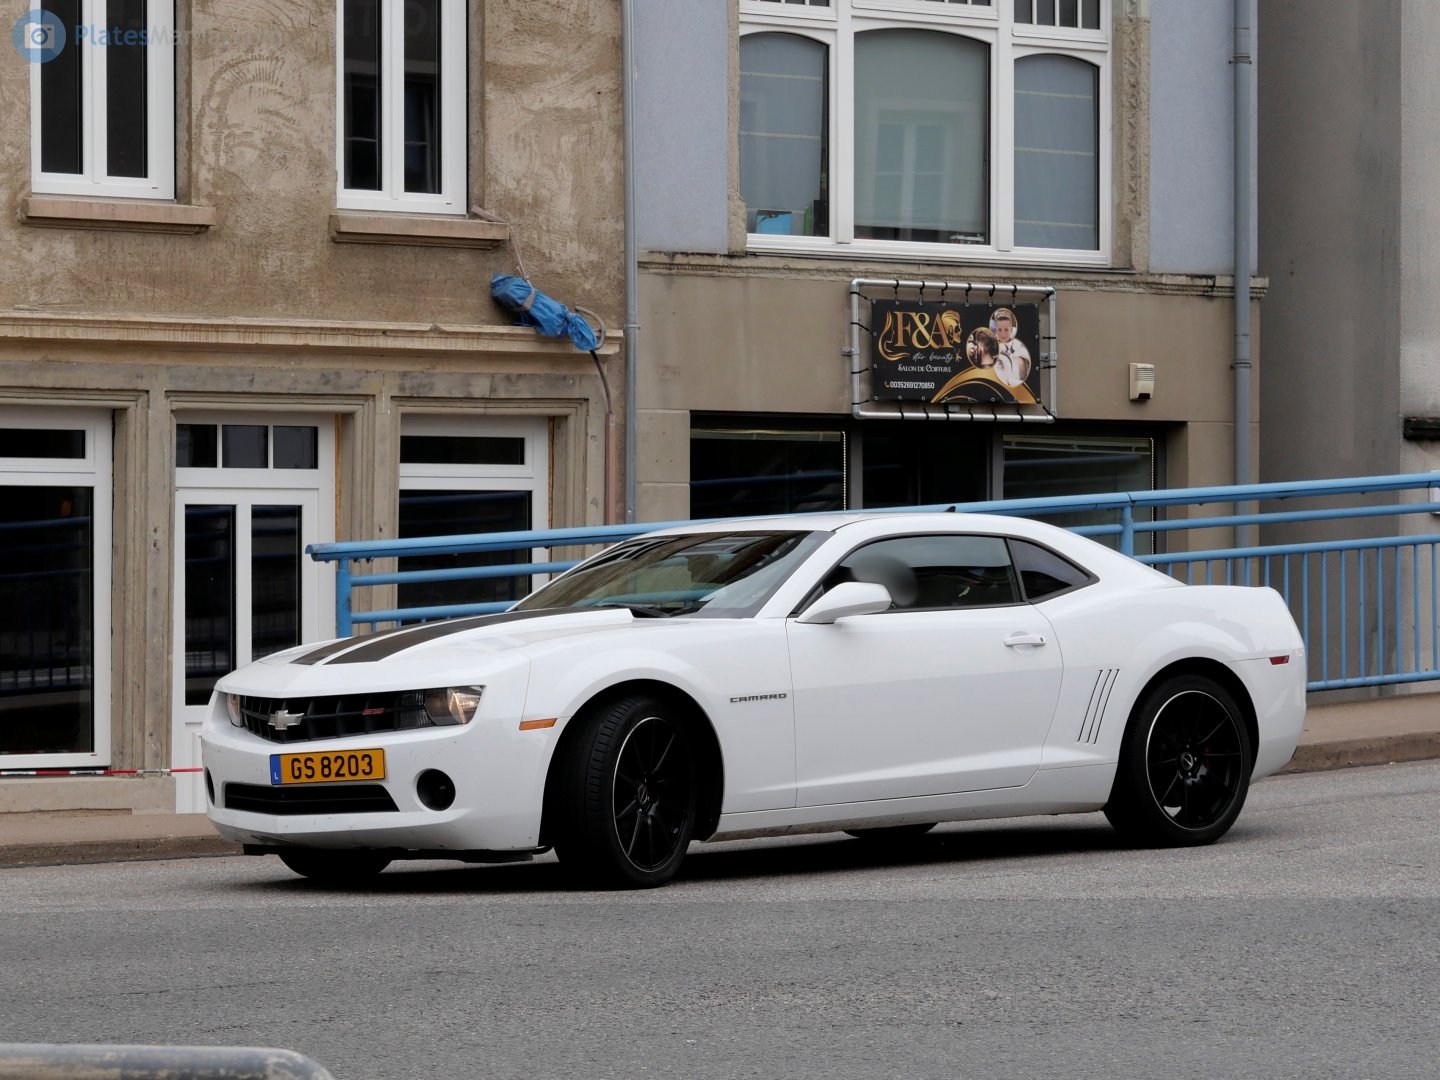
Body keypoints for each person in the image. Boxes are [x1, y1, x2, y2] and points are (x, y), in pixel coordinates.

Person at [990, 308, 1032, 389]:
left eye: (1006, 330)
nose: (1003, 334)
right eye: (999, 330)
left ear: (1011, 330)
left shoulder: (1018, 345)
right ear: (996, 331)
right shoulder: (994, 345)